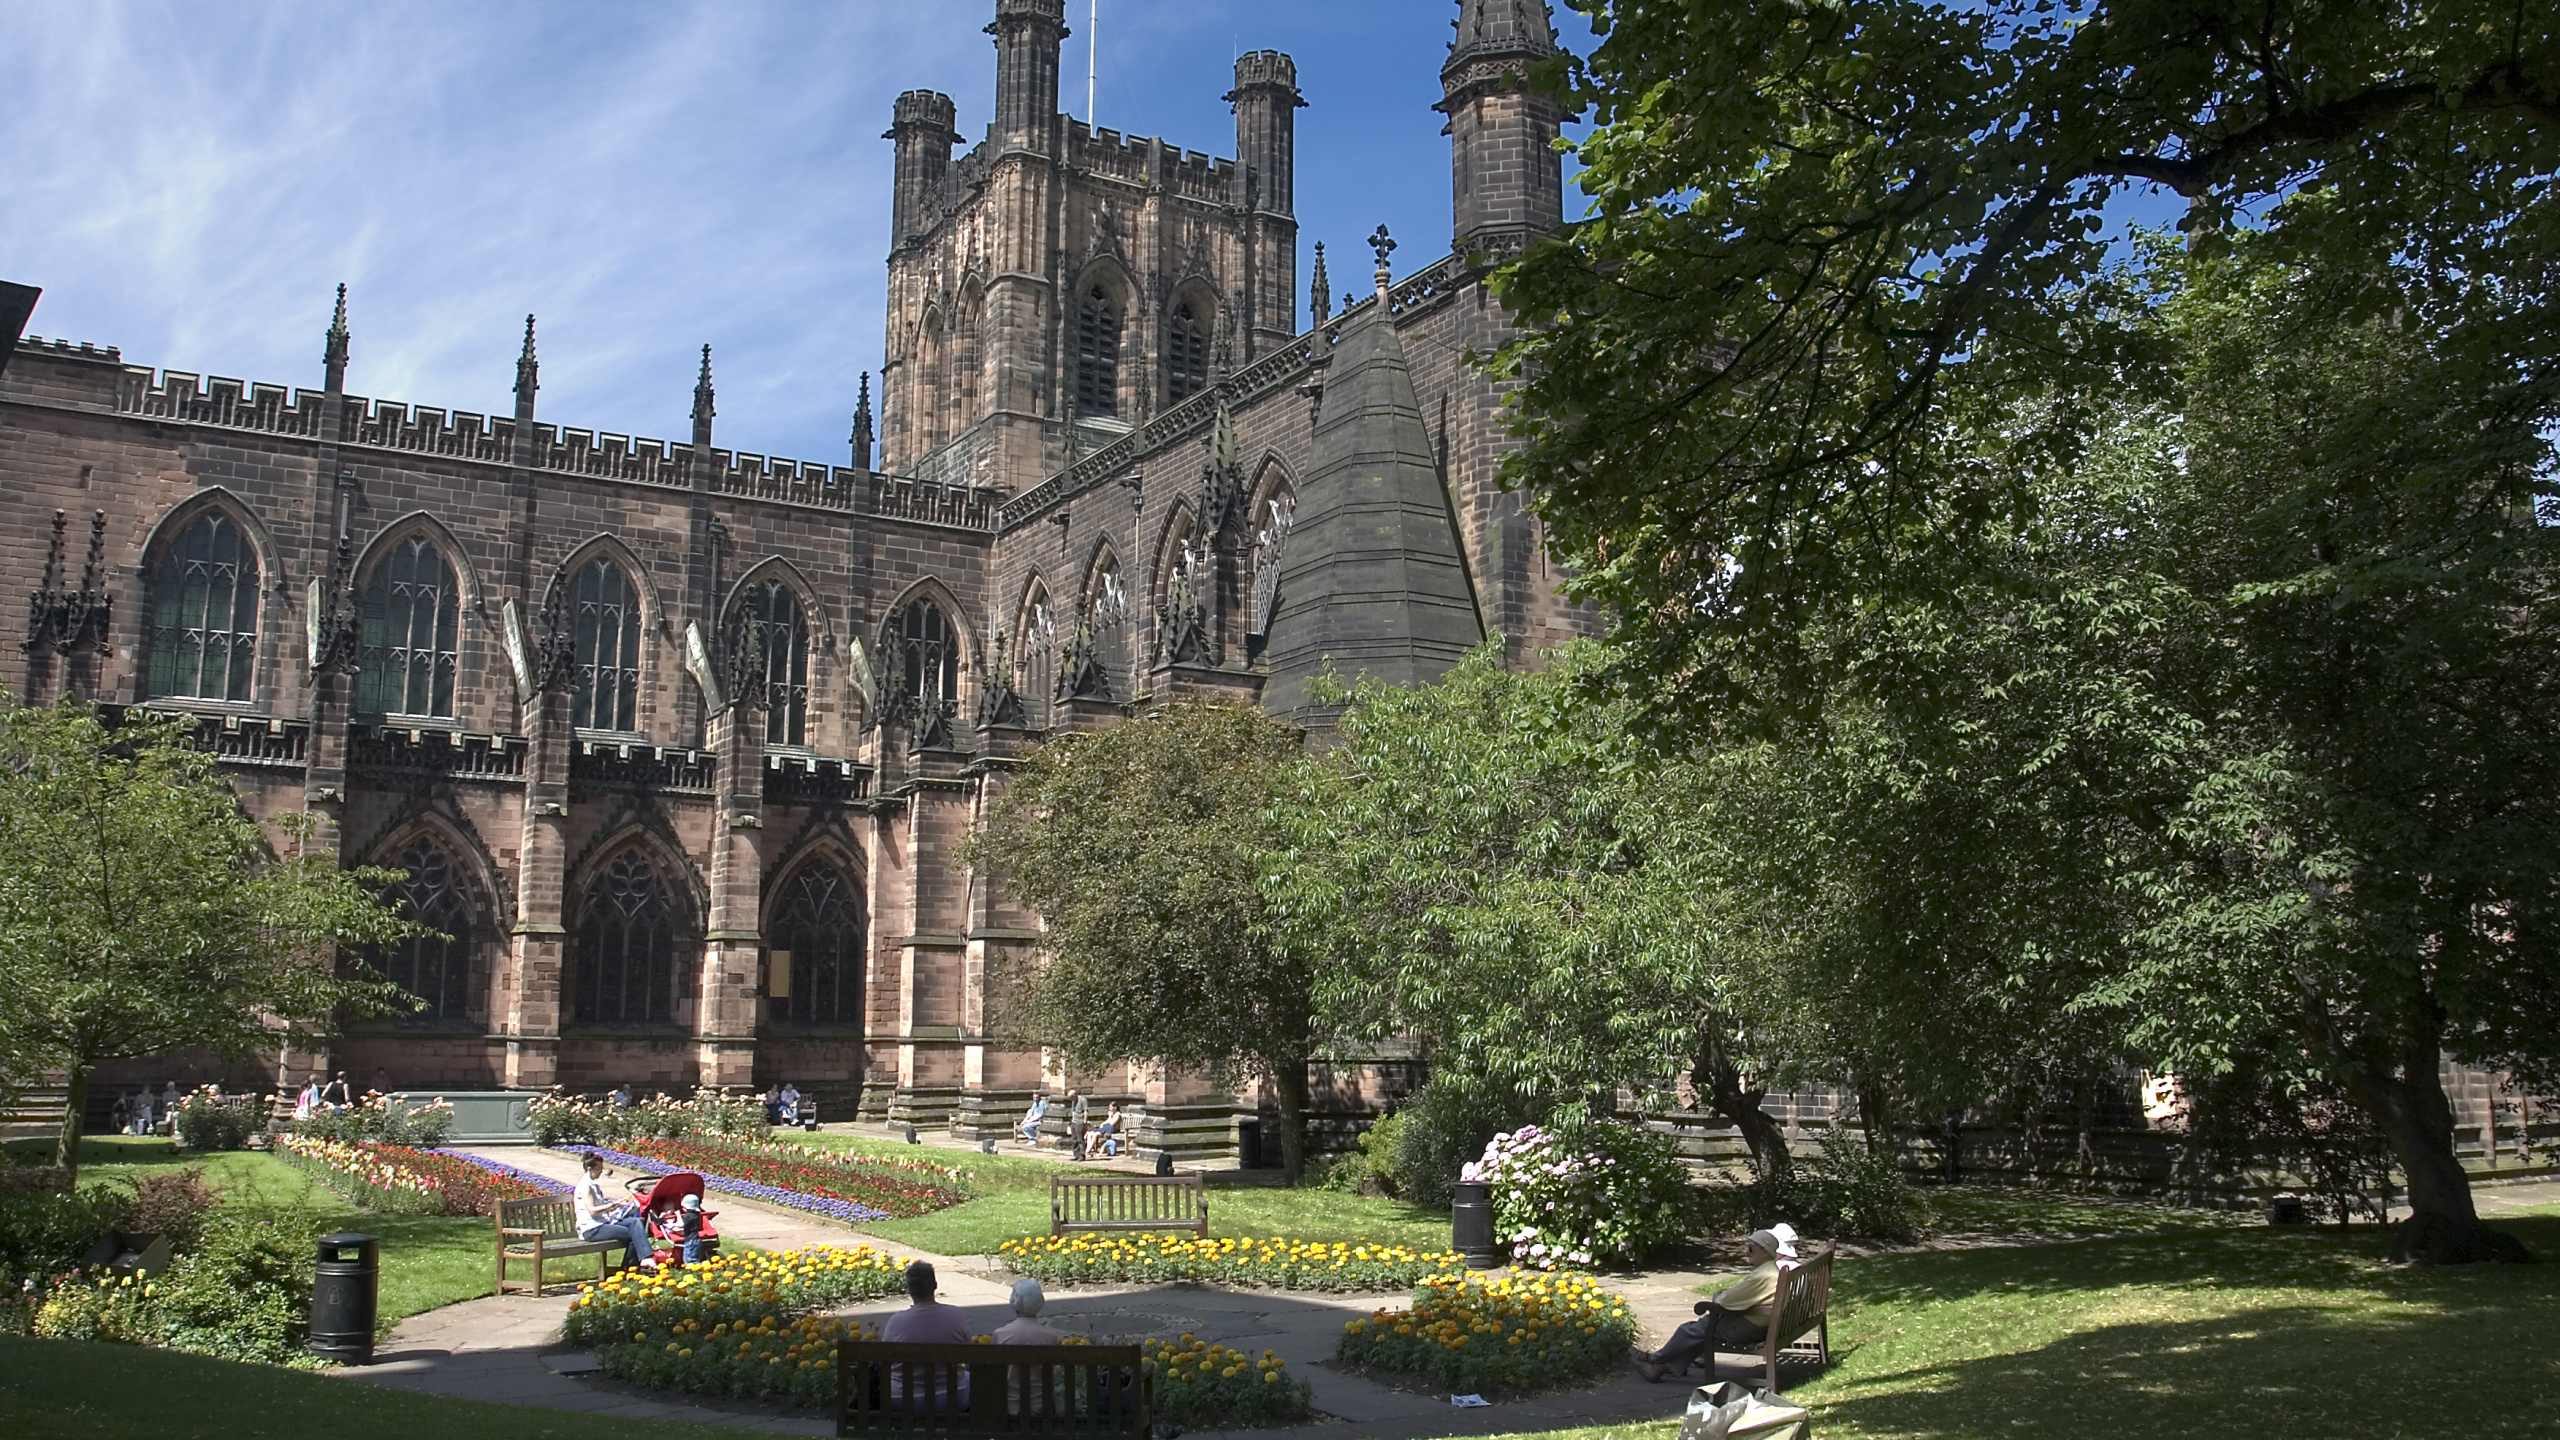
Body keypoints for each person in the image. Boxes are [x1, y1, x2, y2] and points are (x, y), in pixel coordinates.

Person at [1631, 1224, 1799, 1382]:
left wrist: (1718, 1295)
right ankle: (1658, 1368)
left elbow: (1726, 1301)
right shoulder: (1771, 1271)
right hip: (1762, 1325)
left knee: (1691, 1331)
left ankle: (1654, 1359)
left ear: (1764, 1251)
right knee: (1700, 1331)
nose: (1747, 1252)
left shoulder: (1762, 1275)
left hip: (1749, 1328)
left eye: (1751, 1248)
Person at [879, 1260, 973, 1411]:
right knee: (968, 1377)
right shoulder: (955, 1315)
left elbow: (884, 1361)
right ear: (935, 1285)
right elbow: (969, 1355)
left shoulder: (896, 1322)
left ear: (909, 1289)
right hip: (951, 1398)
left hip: (903, 1400)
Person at [572, 1152, 656, 1273]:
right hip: (592, 1229)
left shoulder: (593, 1184)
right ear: (589, 1169)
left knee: (635, 1223)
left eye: (601, 1169)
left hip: (604, 1223)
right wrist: (613, 1205)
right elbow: (592, 1211)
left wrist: (616, 1206)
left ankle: (642, 1260)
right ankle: (631, 1268)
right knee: (635, 1234)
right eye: (598, 1169)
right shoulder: (585, 1186)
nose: (601, 1172)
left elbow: (601, 1209)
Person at [676, 1192, 713, 1266]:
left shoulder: (689, 1216)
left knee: (690, 1259)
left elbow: (681, 1224)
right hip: (696, 1238)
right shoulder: (697, 1214)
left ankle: (698, 1269)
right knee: (692, 1257)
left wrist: (678, 1215)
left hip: (691, 1240)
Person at [1066, 1090, 1088, 1159]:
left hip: (1080, 1122)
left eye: (1071, 1097)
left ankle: (1082, 1155)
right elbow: (1073, 1111)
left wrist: (1085, 1121)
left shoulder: (1082, 1100)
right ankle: (1076, 1154)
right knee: (1074, 1139)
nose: (1070, 1099)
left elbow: (1086, 1111)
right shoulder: (1073, 1101)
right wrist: (1072, 1120)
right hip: (1074, 1122)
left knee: (1080, 1139)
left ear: (1075, 1095)